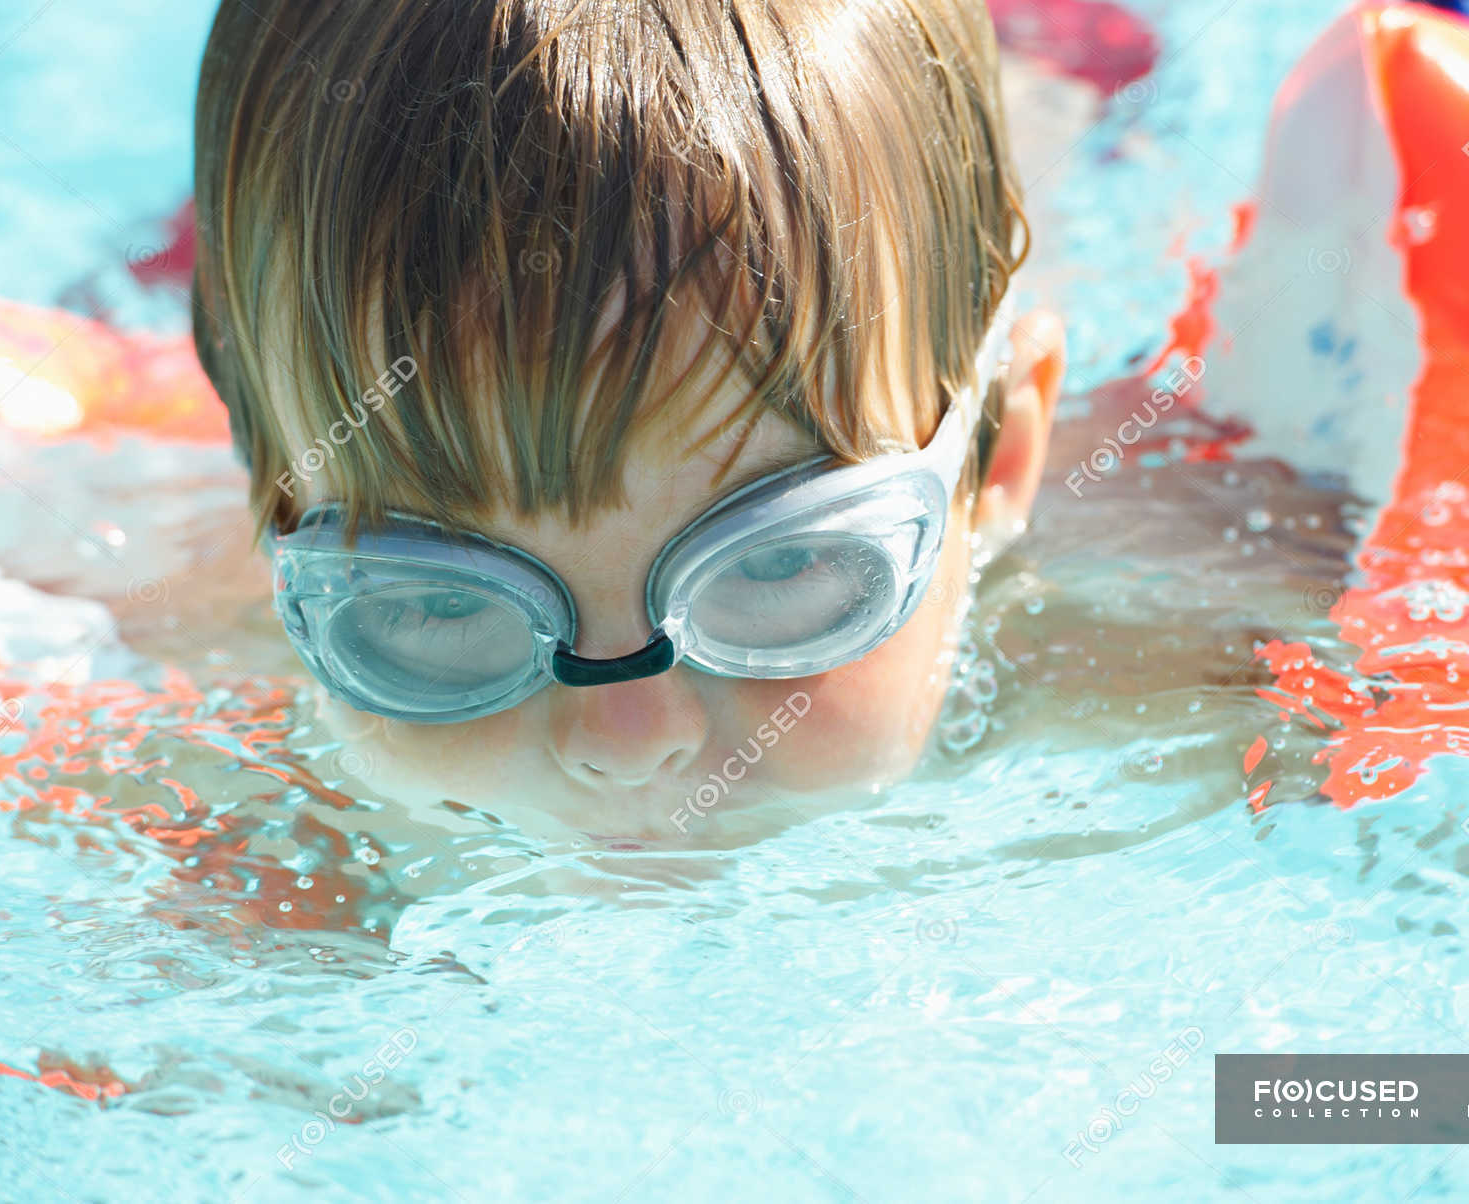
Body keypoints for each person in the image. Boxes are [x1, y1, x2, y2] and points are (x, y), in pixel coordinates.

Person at [190, 0, 1066, 840]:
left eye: (783, 559)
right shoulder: (197, 750)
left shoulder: (1154, 683)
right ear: (269, 515)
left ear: (999, 461)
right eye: (444, 600)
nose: (627, 744)